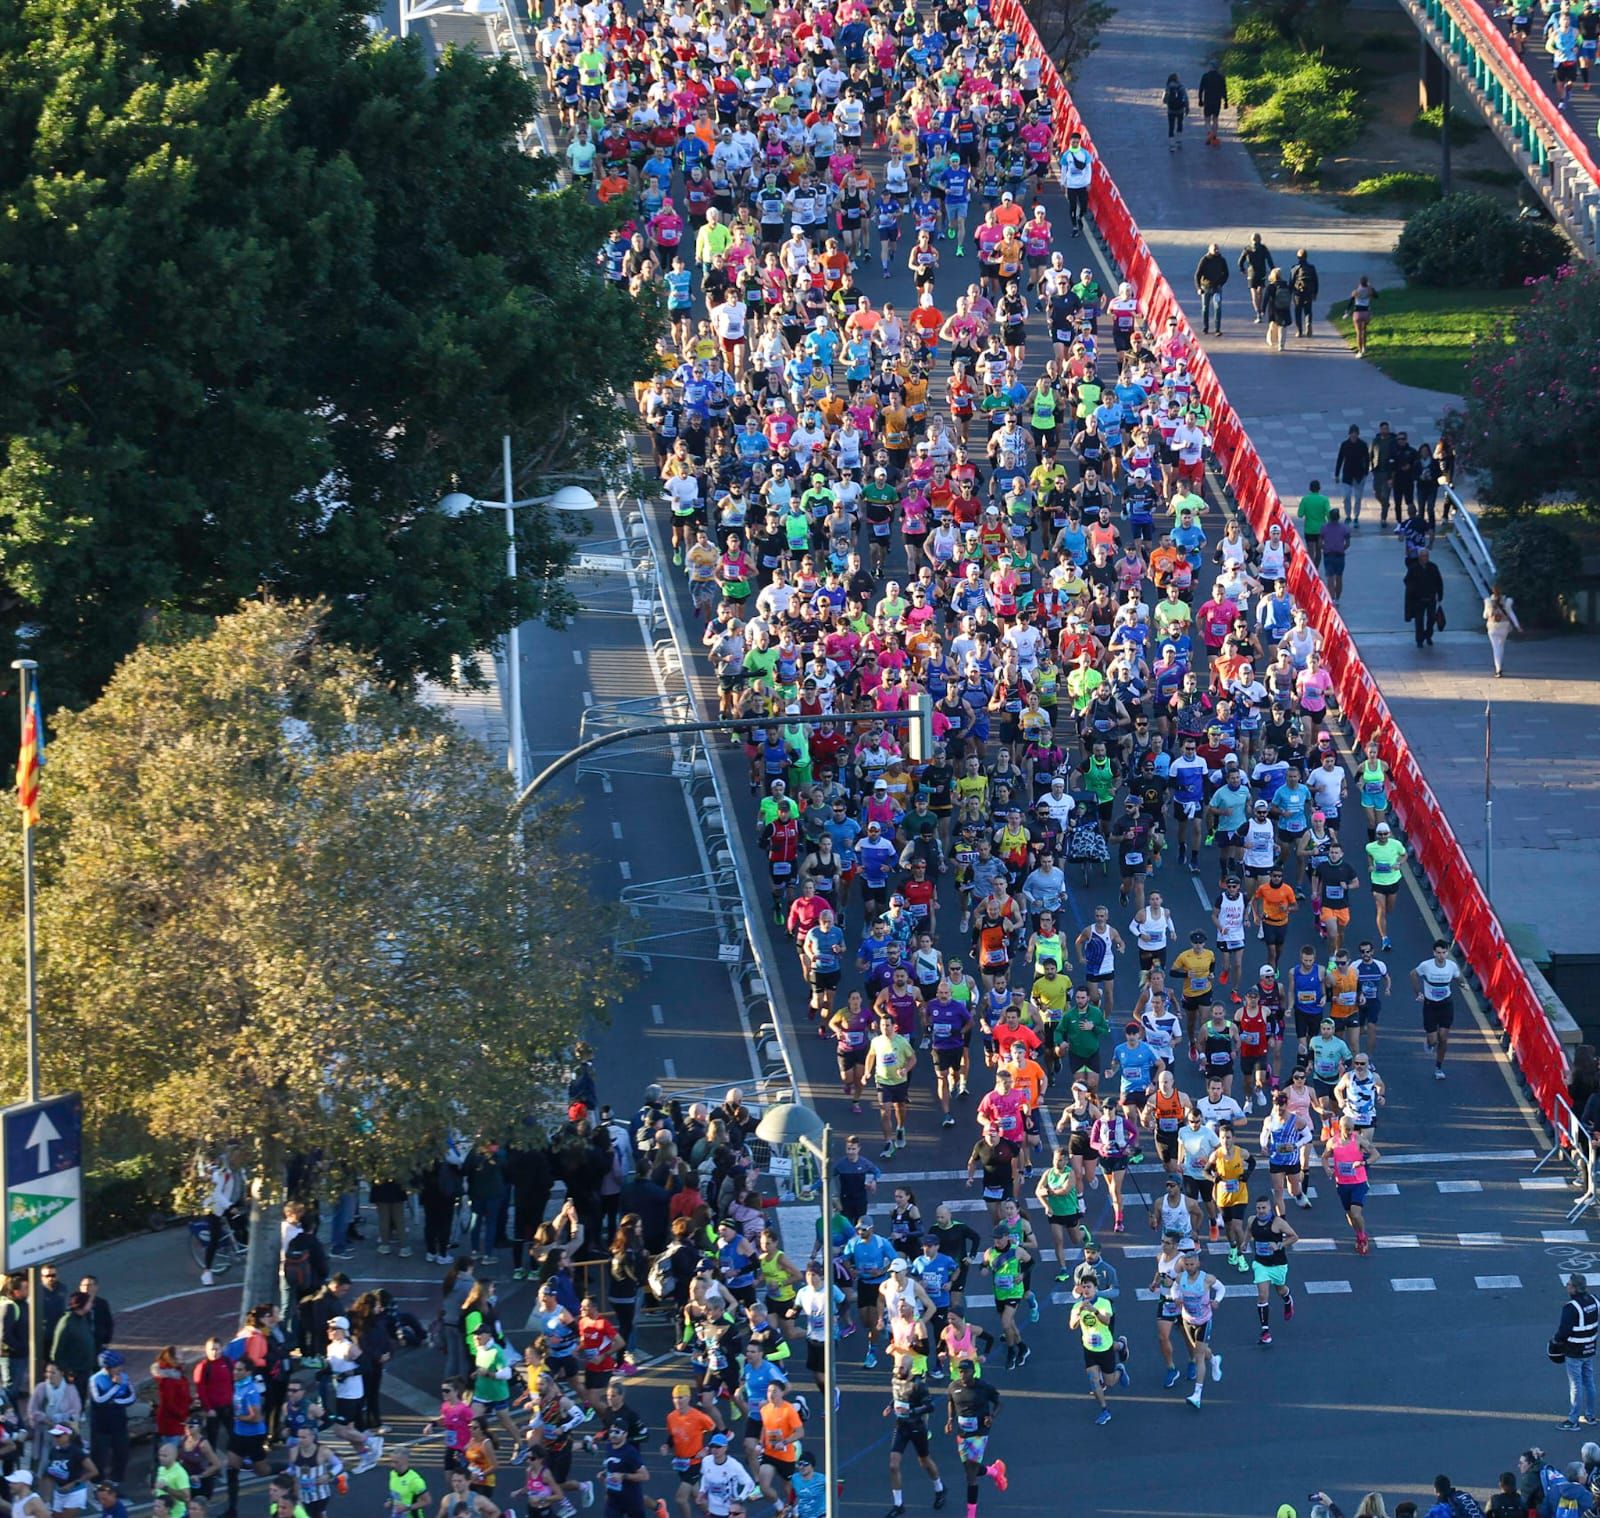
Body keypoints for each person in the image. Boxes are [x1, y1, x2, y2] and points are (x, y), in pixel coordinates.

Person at [1553, 1272, 1599, 1430]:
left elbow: (1564, 1331)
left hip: (1574, 1350)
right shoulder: (1594, 1300)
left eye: (1569, 1284)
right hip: (1590, 1348)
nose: (1567, 1286)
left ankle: (1573, 1420)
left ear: (1574, 1288)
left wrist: (1555, 1341)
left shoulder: (1571, 1308)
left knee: (1576, 1385)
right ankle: (1591, 1416)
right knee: (1589, 1382)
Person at [1411, 939, 1462, 1079]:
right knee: (1434, 1040)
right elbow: (1413, 974)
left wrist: (1462, 984)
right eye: (1438, 953)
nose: (1441, 956)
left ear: (1447, 953)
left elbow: (1458, 977)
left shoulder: (1451, 966)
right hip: (1430, 1005)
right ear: (1434, 953)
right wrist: (1418, 992)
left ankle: (1438, 1068)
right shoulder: (1426, 966)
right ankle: (1429, 1041)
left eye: (1443, 953)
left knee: (1444, 1038)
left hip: (1446, 1004)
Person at [1403, 547, 1445, 648]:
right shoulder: (1413, 568)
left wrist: (1440, 594)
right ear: (1419, 557)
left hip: (1431, 598)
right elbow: (1406, 581)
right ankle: (1419, 639)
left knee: (1431, 619)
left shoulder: (1433, 567)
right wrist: (1413, 591)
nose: (1425, 558)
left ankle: (1428, 635)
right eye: (1422, 556)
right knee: (1419, 620)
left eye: (1426, 556)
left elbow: (1439, 581)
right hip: (1418, 599)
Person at [1484, 585, 1521, 676]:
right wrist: (1517, 626)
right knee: (1501, 646)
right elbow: (1511, 614)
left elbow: (1485, 615)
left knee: (1495, 647)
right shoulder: (1507, 601)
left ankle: (1498, 669)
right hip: (1504, 626)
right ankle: (1499, 667)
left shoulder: (1488, 602)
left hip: (1492, 626)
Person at [1194, 243, 1228, 334]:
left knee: (1217, 308)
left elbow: (1226, 273)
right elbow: (1197, 274)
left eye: (1217, 249)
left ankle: (1217, 329)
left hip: (1217, 288)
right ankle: (1205, 327)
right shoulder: (1204, 260)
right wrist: (1198, 288)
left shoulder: (1221, 260)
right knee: (1205, 308)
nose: (1216, 251)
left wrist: (1221, 283)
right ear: (1209, 250)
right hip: (1205, 288)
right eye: (1214, 249)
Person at [1238, 234, 1273, 322]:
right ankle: (1261, 310)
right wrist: (1273, 270)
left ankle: (1258, 312)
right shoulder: (1263, 248)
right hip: (1261, 272)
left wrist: (1242, 269)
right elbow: (1269, 260)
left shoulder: (1247, 249)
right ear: (1260, 239)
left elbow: (1240, 261)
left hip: (1251, 273)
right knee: (1260, 291)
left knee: (1253, 292)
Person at [1196, 62, 1229, 145]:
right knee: (1215, 119)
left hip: (1208, 100)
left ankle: (1209, 133)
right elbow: (1224, 90)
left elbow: (1201, 89)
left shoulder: (1205, 76)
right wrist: (1226, 101)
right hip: (1217, 100)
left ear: (1211, 67)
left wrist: (1200, 100)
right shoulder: (1221, 77)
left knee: (1207, 119)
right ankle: (1214, 136)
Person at [1290, 250, 1320, 338]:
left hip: (1298, 293)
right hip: (1309, 292)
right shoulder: (1311, 268)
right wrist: (1315, 293)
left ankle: (1299, 330)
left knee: (1298, 311)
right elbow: (1315, 281)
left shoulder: (1295, 268)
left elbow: (1291, 281)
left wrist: (1290, 292)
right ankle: (1308, 324)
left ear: (1298, 257)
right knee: (1308, 310)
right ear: (1306, 257)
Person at [1347, 277, 1377, 355]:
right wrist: (1371, 287)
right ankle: (1364, 348)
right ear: (1367, 283)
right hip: (1366, 313)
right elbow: (1376, 296)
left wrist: (1347, 311)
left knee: (1358, 333)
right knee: (1364, 331)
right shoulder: (1369, 291)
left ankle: (1360, 351)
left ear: (1359, 283)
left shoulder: (1355, 292)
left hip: (1357, 313)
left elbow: (1350, 302)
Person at [1162, 74, 1189, 148]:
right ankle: (1179, 140)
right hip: (1180, 109)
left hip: (1171, 110)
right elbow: (1186, 98)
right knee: (1180, 124)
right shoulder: (1181, 86)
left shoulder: (1168, 87)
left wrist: (1168, 102)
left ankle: (1171, 144)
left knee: (1171, 126)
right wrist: (1187, 107)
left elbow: (1164, 100)